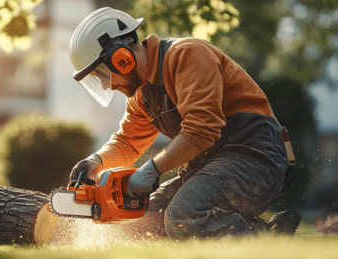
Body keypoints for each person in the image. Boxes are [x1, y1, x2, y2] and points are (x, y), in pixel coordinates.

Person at [67, 7, 301, 239]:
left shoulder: (187, 55)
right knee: (143, 222)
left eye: (103, 75)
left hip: (256, 157)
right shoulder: (142, 95)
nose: (107, 86)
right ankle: (258, 230)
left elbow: (202, 129)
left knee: (184, 214)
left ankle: (267, 239)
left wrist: (151, 170)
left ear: (121, 57)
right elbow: (127, 143)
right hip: (210, 165)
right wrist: (96, 162)